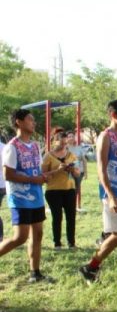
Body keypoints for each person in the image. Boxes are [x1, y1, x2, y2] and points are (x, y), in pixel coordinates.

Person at [79, 100, 117, 284]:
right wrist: (111, 195)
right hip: (113, 193)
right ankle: (91, 267)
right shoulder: (105, 137)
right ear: (114, 115)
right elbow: (101, 169)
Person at [0, 109, 54, 283]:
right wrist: (33, 179)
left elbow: (36, 170)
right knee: (20, 237)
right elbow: (8, 175)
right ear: (19, 122)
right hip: (20, 199)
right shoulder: (12, 146)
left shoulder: (35, 146)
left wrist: (43, 177)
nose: (34, 122)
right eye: (30, 119)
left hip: (36, 197)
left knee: (37, 234)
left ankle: (35, 273)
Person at [42, 130, 79, 249]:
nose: (63, 146)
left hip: (69, 189)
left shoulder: (71, 155)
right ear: (54, 141)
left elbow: (78, 173)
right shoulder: (48, 156)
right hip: (53, 191)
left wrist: (72, 170)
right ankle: (57, 243)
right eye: (61, 143)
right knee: (57, 217)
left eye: (65, 143)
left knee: (71, 217)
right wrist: (57, 170)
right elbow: (43, 175)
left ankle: (71, 242)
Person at [66, 132, 88, 213]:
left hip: (79, 172)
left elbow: (84, 160)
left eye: (72, 136)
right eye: (69, 136)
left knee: (76, 189)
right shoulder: (65, 148)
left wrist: (86, 173)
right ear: (66, 138)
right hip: (68, 172)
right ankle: (67, 206)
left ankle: (73, 207)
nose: (71, 138)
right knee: (68, 189)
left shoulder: (79, 148)